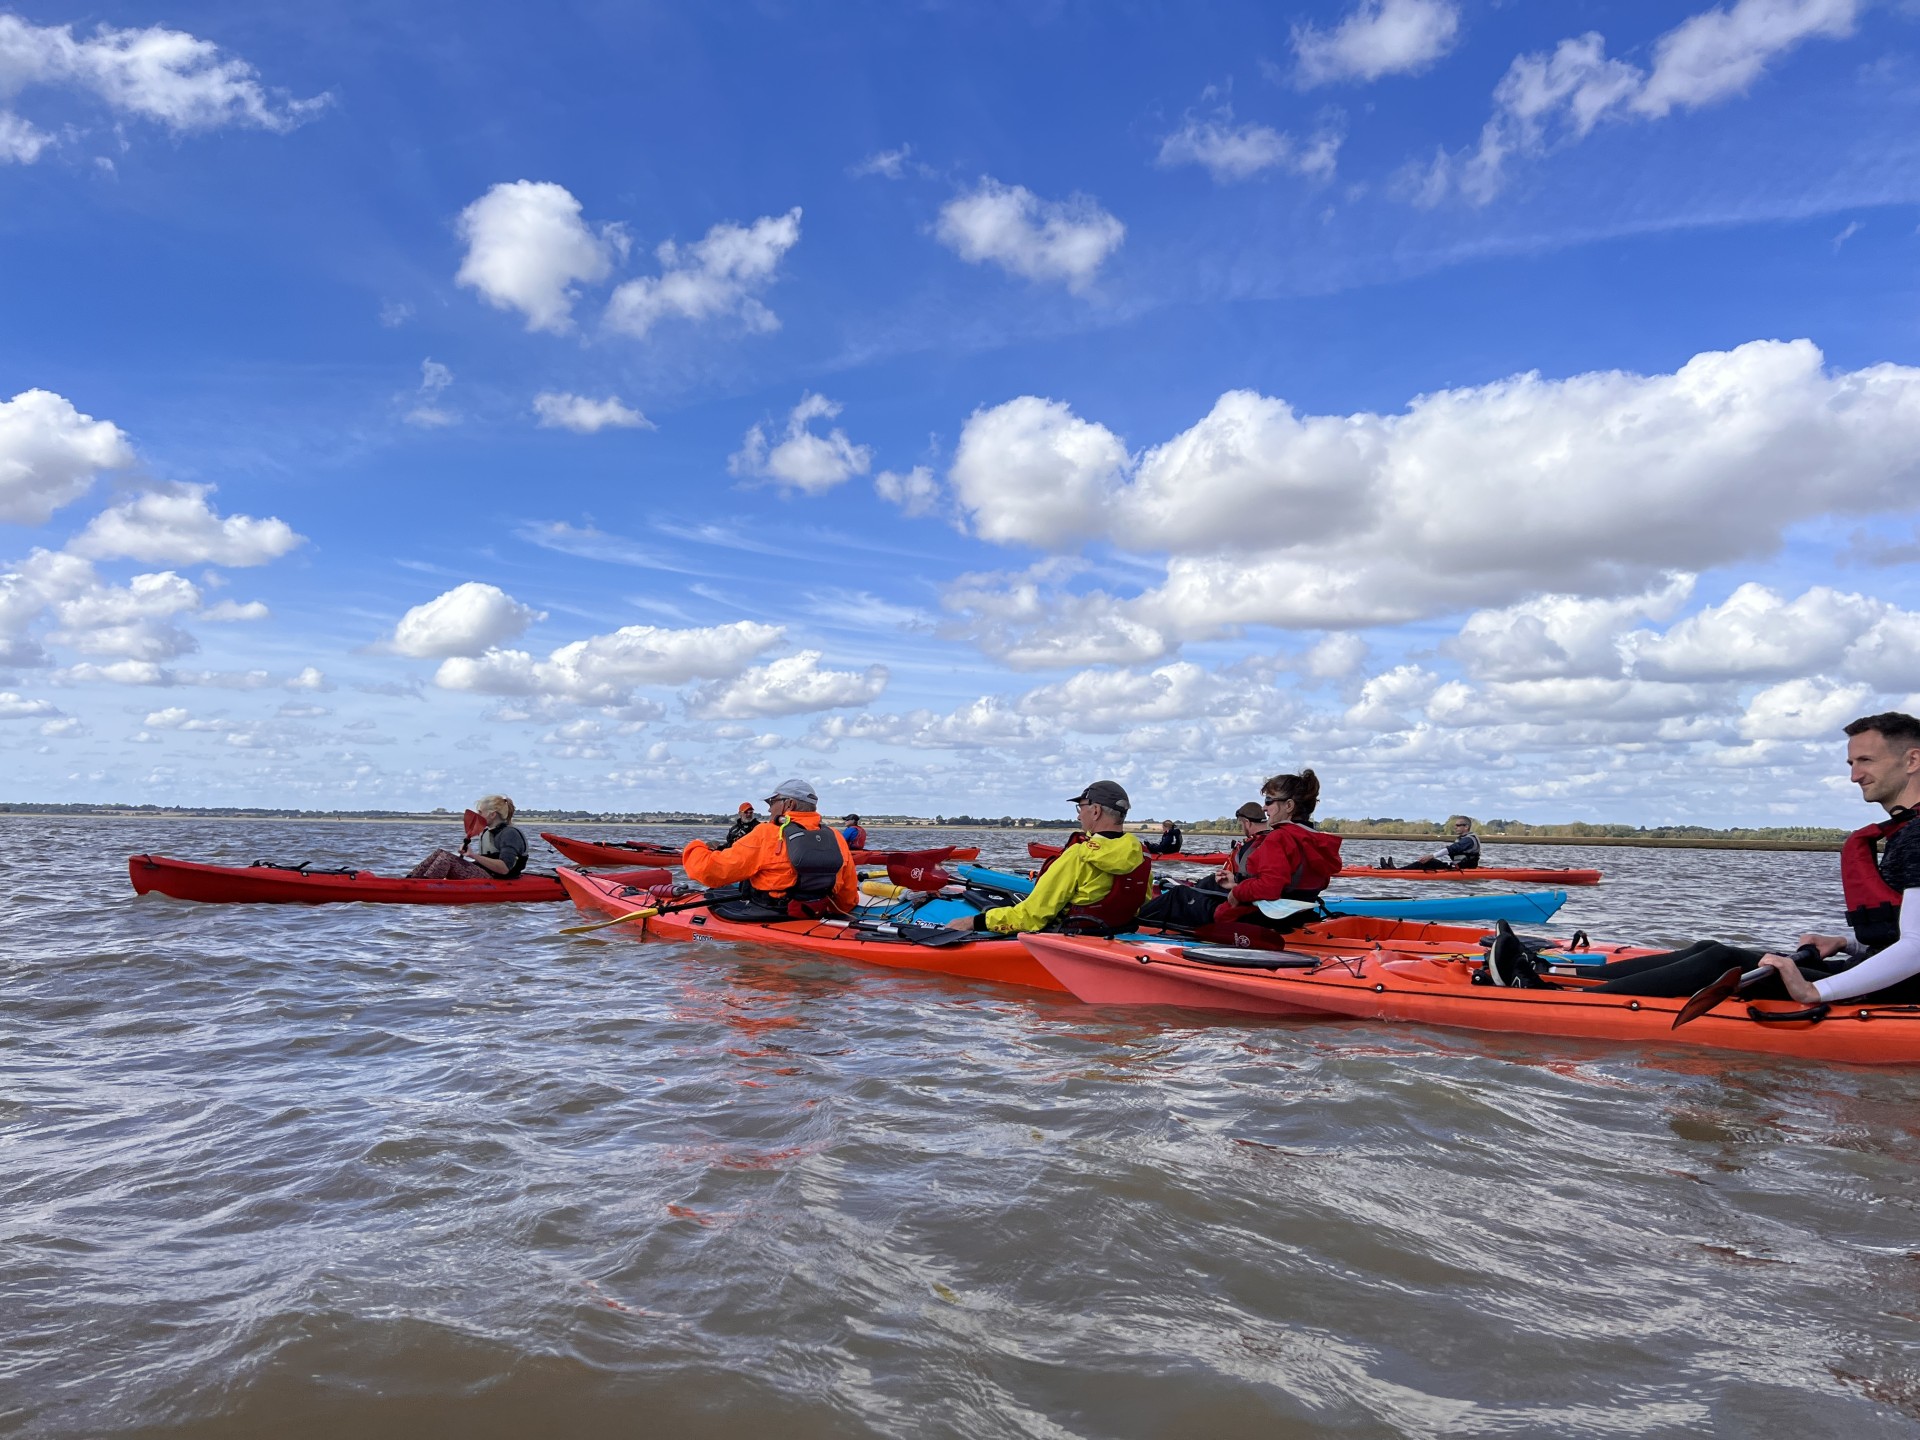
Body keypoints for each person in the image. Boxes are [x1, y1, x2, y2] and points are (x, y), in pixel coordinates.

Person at [1511, 714, 1920, 1000]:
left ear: (1912, 760)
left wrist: (1816, 990)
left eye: (1865, 760)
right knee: (1711, 947)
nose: (1853, 775)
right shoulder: (1908, 828)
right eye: (1851, 762)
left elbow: (1917, 949)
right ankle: (1563, 975)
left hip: (1900, 987)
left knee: (1720, 962)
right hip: (1887, 974)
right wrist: (1847, 942)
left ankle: (1558, 1000)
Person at [1142, 773, 1342, 935]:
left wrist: (1236, 892)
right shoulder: (1318, 842)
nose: (1264, 807)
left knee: (1178, 895)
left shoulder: (1279, 838)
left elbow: (1269, 888)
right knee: (1210, 884)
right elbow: (1291, 887)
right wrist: (1237, 883)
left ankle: (1128, 930)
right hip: (1293, 916)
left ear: (1288, 806)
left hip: (1256, 918)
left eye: (1269, 801)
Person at [945, 781, 1149, 934]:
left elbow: (1031, 917)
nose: (1079, 816)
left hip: (1073, 937)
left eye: (1081, 808)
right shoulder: (1140, 854)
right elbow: (1141, 903)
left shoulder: (1078, 855)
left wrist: (975, 922)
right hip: (1116, 933)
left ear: (1095, 811)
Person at [681, 778, 859, 919]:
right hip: (815, 913)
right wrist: (838, 914)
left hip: (771, 915)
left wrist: (696, 846)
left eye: (772, 802)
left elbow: (710, 872)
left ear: (789, 804)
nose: (769, 809)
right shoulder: (835, 836)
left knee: (714, 894)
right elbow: (848, 897)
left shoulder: (767, 833)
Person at [1137, 801, 1265, 930]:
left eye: (1241, 824)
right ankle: (1194, 888)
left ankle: (1134, 921)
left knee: (1178, 893)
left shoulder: (1256, 846)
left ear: (1247, 823)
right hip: (1234, 897)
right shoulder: (1264, 842)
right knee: (1208, 881)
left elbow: (1257, 888)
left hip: (1233, 908)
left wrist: (1235, 887)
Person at [408, 795, 528, 880]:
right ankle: (411, 881)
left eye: (480, 812)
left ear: (492, 814)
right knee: (439, 853)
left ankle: (425, 887)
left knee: (446, 858)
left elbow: (504, 869)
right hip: (487, 874)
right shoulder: (487, 832)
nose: (477, 815)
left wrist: (473, 855)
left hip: (498, 879)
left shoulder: (510, 834)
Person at [1406, 815, 1480, 871]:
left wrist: (1431, 856)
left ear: (1466, 827)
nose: (1455, 827)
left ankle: (1398, 871)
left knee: (1429, 862)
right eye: (1455, 825)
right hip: (1459, 867)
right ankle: (1400, 870)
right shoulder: (1464, 838)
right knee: (1430, 862)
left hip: (1465, 869)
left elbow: (1450, 849)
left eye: (1458, 825)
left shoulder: (1468, 840)